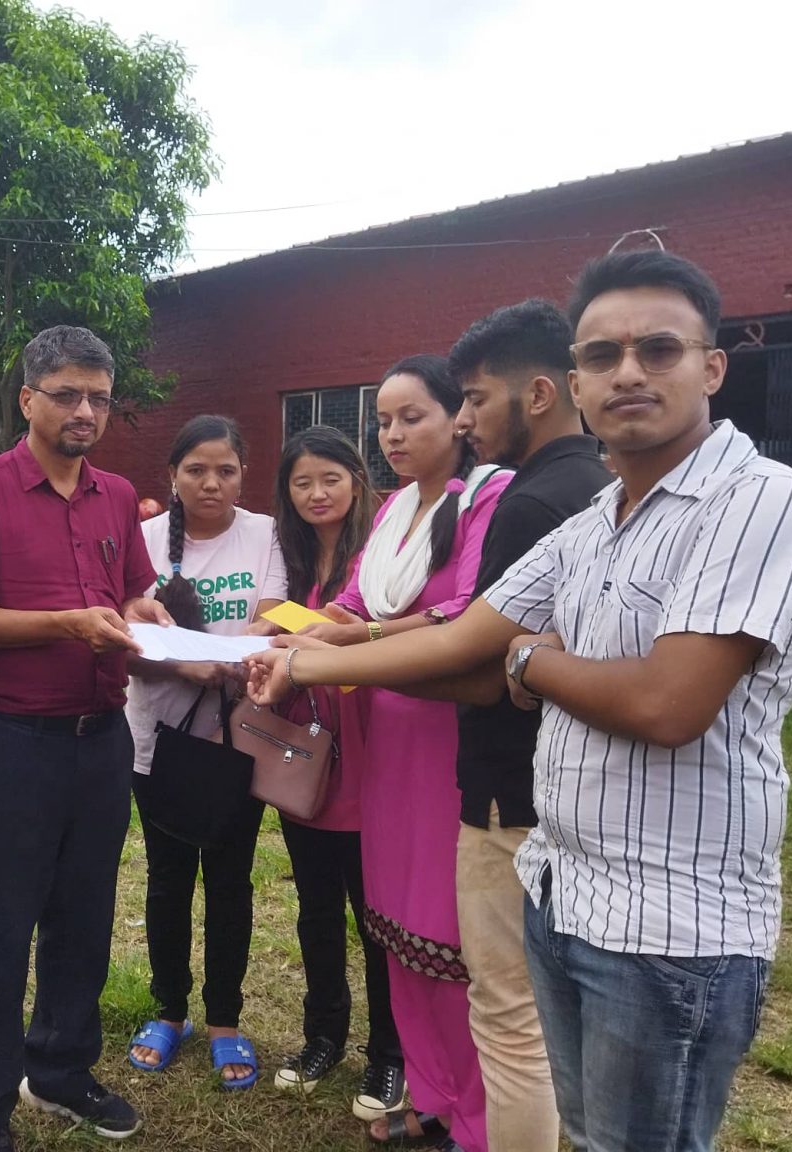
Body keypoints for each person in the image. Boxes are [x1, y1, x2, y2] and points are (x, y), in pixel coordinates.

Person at [245, 250, 792, 1152]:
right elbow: (460, 636)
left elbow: (667, 703)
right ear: (574, 381)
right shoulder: (592, 522)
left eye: (658, 349)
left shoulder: (760, 500)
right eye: (602, 356)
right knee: (576, 1118)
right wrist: (303, 662)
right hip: (564, 885)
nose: (627, 373)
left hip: (671, 925)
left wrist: (526, 663)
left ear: (713, 367)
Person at [0, 325, 171, 1152]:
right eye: (67, 395)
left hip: (101, 740)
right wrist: (68, 623)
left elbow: (132, 594)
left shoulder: (116, 494)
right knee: (2, 929)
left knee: (85, 918)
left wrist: (143, 613)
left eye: (99, 398)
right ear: (29, 399)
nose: (85, 412)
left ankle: (62, 1071)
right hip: (17, 745)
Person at [302, 355, 511, 1152]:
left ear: (459, 416)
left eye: (410, 417)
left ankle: (479, 1120)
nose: (391, 434)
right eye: (383, 420)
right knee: (395, 925)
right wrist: (282, 631)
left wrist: (356, 637)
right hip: (384, 735)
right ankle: (433, 1093)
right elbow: (352, 602)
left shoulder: (489, 498)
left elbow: (466, 612)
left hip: (446, 734)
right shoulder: (393, 511)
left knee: (451, 933)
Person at [443, 299, 611, 1152]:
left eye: (475, 399)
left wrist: (327, 663)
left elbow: (479, 664)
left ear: (539, 394)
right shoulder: (607, 489)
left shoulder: (530, 502)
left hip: (509, 796)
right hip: (586, 794)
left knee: (511, 1024)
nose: (462, 421)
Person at [124, 414, 288, 1090]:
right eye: (196, 470)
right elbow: (125, 630)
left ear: (243, 473)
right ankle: (169, 1010)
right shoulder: (142, 538)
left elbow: (273, 615)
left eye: (225, 470)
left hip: (235, 739)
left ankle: (224, 1018)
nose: (211, 483)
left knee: (229, 880)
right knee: (166, 880)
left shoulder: (264, 533)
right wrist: (188, 663)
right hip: (157, 739)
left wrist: (236, 652)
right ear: (173, 475)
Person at [265, 426, 404, 1117]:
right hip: (307, 756)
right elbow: (282, 622)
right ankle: (323, 1037)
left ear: (357, 478)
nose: (317, 494)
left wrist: (287, 623)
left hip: (375, 755)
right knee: (316, 909)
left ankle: (390, 1055)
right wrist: (284, 621)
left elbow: (351, 631)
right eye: (302, 482)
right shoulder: (286, 555)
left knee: (379, 919)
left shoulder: (383, 550)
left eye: (331, 478)